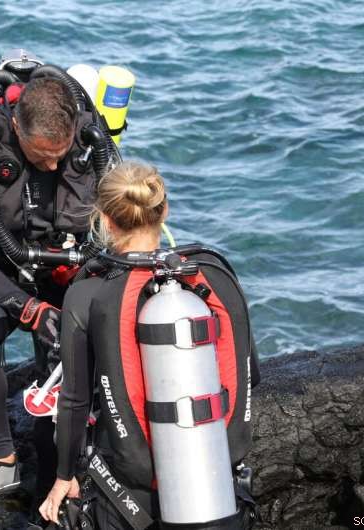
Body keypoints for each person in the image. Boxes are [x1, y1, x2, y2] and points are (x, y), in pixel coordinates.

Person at [38, 161, 259, 529]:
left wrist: (64, 478)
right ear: (164, 210)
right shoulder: (211, 276)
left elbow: (74, 401)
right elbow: (249, 373)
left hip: (130, 484)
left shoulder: (87, 291)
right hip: (215, 478)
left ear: (105, 220)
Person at [0, 75, 105, 504]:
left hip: (65, 274)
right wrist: (28, 308)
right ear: (15, 126)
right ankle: (2, 460)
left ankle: (64, 465)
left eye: (58, 156)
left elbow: (116, 236)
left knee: (82, 337)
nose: (51, 167)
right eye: (41, 156)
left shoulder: (89, 150)